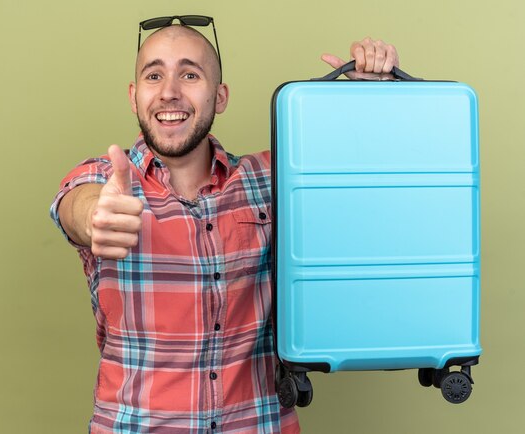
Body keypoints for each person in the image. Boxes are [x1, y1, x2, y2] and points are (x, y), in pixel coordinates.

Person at [50, 16, 399, 434]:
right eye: (154, 75)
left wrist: (368, 96)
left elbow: (361, 166)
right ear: (133, 96)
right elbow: (76, 204)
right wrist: (95, 217)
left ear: (220, 96)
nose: (169, 92)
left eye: (189, 74)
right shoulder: (106, 179)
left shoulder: (273, 177)